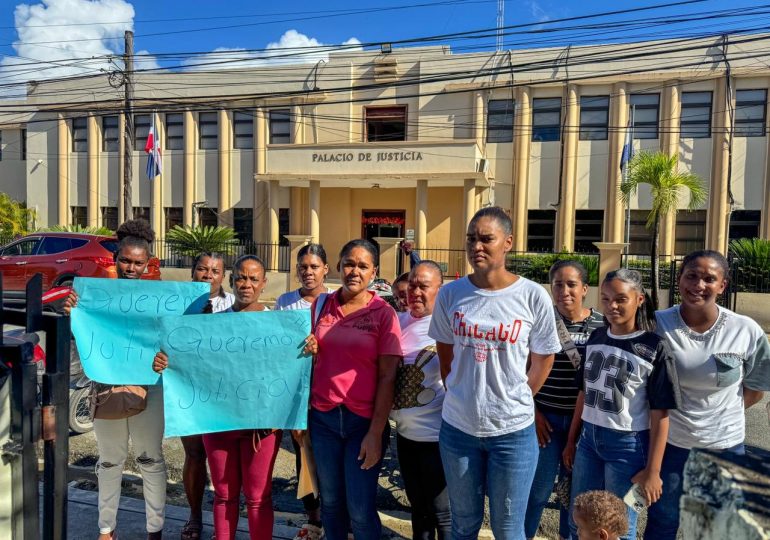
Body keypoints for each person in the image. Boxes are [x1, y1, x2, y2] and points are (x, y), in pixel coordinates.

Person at [428, 206, 561, 540]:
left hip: (513, 433)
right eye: (472, 239)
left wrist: (518, 396)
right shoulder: (450, 294)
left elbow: (544, 357)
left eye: (487, 239)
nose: (477, 246)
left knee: (508, 527)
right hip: (458, 429)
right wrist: (464, 392)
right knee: (464, 524)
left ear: (508, 242)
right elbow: (447, 358)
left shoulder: (532, 296)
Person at [644, 250, 770, 540]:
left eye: (709, 279)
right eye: (691, 276)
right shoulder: (657, 323)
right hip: (672, 445)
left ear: (722, 286)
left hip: (725, 447)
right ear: (679, 279)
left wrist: (721, 416)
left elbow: (756, 388)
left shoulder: (745, 330)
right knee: (664, 519)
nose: (698, 285)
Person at [154, 255, 278, 540]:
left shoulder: (279, 327)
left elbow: (287, 370)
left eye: (254, 279)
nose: (247, 284)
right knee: (223, 495)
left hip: (262, 427)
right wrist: (165, 361)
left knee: (259, 498)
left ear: (264, 284)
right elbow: (190, 364)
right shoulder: (211, 325)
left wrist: (308, 348)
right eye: (242, 278)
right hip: (218, 422)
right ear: (232, 281)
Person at [65, 219, 167, 540]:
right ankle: (106, 529)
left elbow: (175, 340)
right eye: (125, 260)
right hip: (107, 386)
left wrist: (167, 357)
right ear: (115, 259)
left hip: (148, 388)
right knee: (110, 461)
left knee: (150, 458)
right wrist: (75, 315)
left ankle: (155, 528)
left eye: (139, 262)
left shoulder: (160, 298)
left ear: (148, 263)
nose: (131, 267)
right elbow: (82, 346)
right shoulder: (95, 295)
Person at [565, 269, 677, 540]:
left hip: (629, 447)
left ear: (639, 299)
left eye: (620, 299)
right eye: (605, 299)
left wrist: (653, 470)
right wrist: (572, 440)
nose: (612, 306)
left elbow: (660, 413)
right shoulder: (596, 337)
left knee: (621, 525)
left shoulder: (654, 346)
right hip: (589, 441)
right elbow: (583, 393)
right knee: (577, 518)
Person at [302, 239, 403, 540]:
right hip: (324, 420)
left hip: (363, 424)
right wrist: (309, 347)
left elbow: (388, 378)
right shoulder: (321, 306)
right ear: (338, 266)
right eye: (349, 263)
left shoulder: (383, 314)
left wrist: (376, 432)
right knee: (330, 504)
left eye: (362, 266)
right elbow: (303, 359)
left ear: (374, 272)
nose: (354, 271)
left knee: (360, 508)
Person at [524, 260, 604, 540]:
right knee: (536, 492)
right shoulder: (539, 321)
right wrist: (533, 414)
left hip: (584, 426)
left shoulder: (603, 326)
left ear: (585, 289)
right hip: (544, 422)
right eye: (558, 284)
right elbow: (522, 371)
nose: (564, 290)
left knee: (575, 500)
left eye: (571, 284)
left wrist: (576, 435)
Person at [391, 260, 451, 539]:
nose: (415, 292)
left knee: (443, 513)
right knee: (419, 509)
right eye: (412, 284)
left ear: (440, 289)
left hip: (438, 438)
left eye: (423, 286)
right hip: (404, 435)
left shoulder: (450, 324)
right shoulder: (397, 321)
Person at [274, 243, 331, 540]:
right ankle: (314, 520)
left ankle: (336, 518)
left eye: (314, 266)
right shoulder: (284, 301)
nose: (308, 272)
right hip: (296, 393)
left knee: (331, 457)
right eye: (303, 267)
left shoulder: (335, 301)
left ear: (326, 269)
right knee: (303, 457)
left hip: (329, 391)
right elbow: (277, 346)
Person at [180, 252, 233, 540]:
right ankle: (195, 515)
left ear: (223, 276)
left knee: (222, 458)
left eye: (215, 271)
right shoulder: (178, 304)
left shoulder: (233, 306)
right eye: (202, 269)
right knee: (194, 454)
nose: (208, 275)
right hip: (187, 389)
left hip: (223, 394)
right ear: (193, 272)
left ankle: (226, 522)